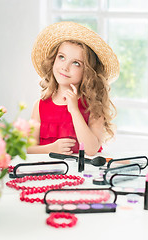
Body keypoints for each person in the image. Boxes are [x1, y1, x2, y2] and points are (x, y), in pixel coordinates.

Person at [27, 22, 120, 156]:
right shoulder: (40, 106)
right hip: (48, 173)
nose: (65, 67)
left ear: (88, 72)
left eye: (76, 63)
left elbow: (91, 149)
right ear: (53, 60)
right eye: (62, 57)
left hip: (82, 174)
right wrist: (51, 148)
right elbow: (28, 149)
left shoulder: (93, 107)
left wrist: (74, 111)